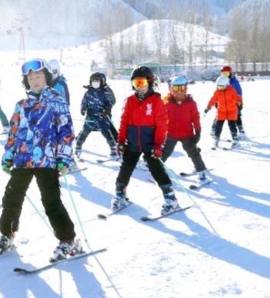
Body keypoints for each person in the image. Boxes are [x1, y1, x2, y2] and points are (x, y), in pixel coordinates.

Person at [0, 58, 83, 263]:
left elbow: (66, 132)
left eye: (38, 76)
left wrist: (64, 157)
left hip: (48, 161)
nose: (34, 80)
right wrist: (8, 155)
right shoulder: (21, 105)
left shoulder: (57, 101)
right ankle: (7, 234)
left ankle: (68, 239)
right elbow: (13, 132)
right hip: (22, 159)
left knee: (51, 201)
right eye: (30, 78)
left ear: (46, 78)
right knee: (12, 199)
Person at [111, 65, 179, 214]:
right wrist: (121, 141)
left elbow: (162, 125)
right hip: (133, 142)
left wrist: (158, 145)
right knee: (125, 169)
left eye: (142, 83)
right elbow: (124, 122)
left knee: (156, 169)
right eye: (136, 83)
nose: (139, 87)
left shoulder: (156, 102)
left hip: (151, 144)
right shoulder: (130, 101)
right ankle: (120, 194)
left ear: (150, 82)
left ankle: (170, 198)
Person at [162, 75, 210, 183]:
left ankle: (201, 173)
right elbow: (162, 118)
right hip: (171, 134)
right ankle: (157, 170)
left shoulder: (191, 104)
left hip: (186, 134)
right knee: (165, 152)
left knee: (193, 153)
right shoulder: (167, 103)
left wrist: (197, 132)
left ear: (186, 89)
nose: (179, 92)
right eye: (176, 88)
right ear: (171, 89)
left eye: (182, 88)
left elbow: (195, 118)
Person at [74, 72, 118, 161]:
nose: (95, 82)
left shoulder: (105, 92)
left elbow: (110, 102)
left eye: (97, 80)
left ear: (102, 81)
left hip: (102, 117)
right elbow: (84, 101)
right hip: (91, 117)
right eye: (93, 81)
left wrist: (107, 109)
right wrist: (83, 109)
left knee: (107, 134)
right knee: (84, 133)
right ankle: (78, 147)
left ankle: (114, 149)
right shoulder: (88, 92)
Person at [205, 75, 242, 149]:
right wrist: (208, 107)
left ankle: (235, 139)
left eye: (222, 87)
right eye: (219, 87)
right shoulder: (217, 92)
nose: (220, 88)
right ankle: (216, 139)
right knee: (218, 125)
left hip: (232, 111)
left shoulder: (231, 90)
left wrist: (239, 103)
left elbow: (237, 97)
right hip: (221, 111)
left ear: (227, 85)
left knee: (232, 125)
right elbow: (213, 100)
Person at [220, 65, 247, 139]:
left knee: (236, 116)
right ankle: (214, 130)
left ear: (230, 73)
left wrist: (239, 102)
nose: (225, 75)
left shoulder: (234, 81)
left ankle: (241, 131)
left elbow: (239, 92)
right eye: (223, 74)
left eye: (227, 74)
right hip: (224, 103)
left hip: (234, 103)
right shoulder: (221, 81)